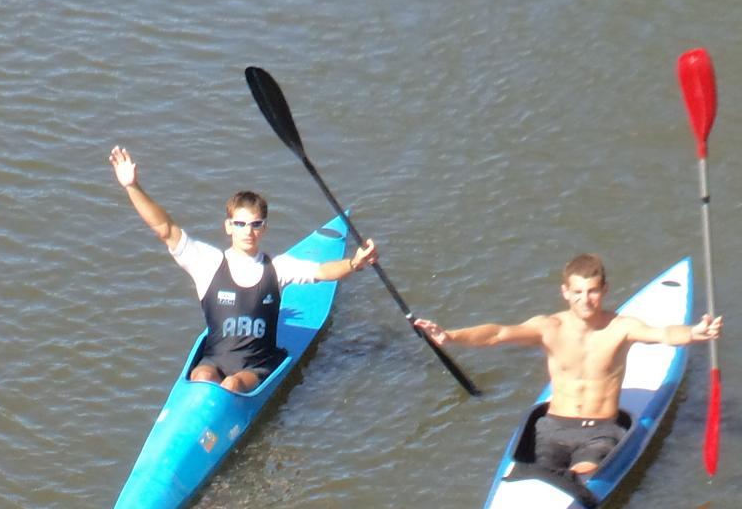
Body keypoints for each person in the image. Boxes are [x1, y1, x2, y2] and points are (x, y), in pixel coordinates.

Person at [414, 254, 722, 476]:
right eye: (578, 292)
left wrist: (694, 333)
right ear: (565, 292)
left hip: (600, 432)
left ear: (604, 290)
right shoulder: (549, 328)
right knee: (535, 482)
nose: (585, 299)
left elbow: (664, 334)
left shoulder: (621, 327)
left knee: (581, 477)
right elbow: (497, 333)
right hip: (552, 428)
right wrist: (451, 335)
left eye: (592, 291)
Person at [109, 145, 378, 392]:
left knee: (232, 384)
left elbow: (323, 271)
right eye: (240, 224)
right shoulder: (207, 263)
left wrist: (354, 263)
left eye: (255, 224)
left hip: (256, 366)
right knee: (202, 377)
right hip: (215, 359)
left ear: (264, 228)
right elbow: (165, 229)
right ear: (228, 226)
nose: (248, 231)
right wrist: (132, 187)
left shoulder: (279, 268)